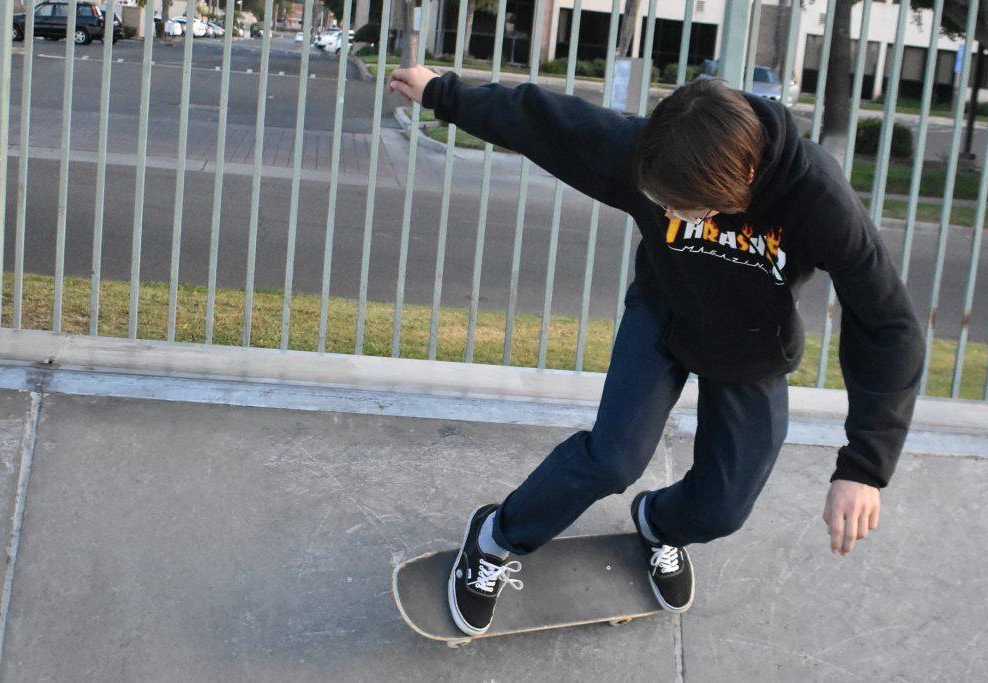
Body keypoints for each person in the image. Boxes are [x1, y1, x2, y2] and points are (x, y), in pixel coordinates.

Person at [387, 66, 925, 637]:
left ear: (741, 176)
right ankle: (494, 538)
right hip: (663, 311)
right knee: (612, 459)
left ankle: (658, 525)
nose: (670, 216)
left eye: (685, 208)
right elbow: (545, 122)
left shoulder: (816, 197)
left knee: (721, 510)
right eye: (660, 204)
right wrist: (444, 94)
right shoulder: (648, 149)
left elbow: (887, 322)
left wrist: (865, 467)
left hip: (750, 344)